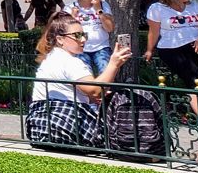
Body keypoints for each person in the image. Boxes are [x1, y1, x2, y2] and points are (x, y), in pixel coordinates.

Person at [26, 13, 130, 147]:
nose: (83, 40)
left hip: (41, 129)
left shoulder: (51, 58)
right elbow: (95, 91)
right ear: (60, 39)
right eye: (77, 35)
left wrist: (91, 97)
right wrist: (113, 64)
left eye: (84, 35)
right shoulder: (71, 62)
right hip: (69, 128)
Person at [143, 0, 198, 130]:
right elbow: (153, 32)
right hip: (172, 49)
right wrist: (149, 50)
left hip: (196, 44)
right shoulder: (158, 8)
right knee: (194, 77)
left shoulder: (193, 6)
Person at [67, 0, 113, 75]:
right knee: (84, 76)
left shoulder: (103, 5)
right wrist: (73, 17)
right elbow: (65, 31)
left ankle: (105, 90)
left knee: (106, 73)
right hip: (81, 47)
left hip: (101, 46)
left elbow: (109, 28)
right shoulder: (70, 7)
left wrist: (99, 10)